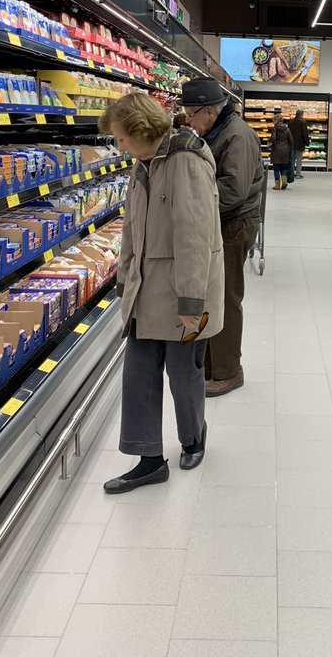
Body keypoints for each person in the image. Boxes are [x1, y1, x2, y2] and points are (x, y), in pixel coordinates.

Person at [98, 92, 224, 495]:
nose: (120, 146)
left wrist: (192, 301)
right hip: (145, 288)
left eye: (121, 138)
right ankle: (149, 458)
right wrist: (124, 279)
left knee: (183, 374)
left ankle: (193, 438)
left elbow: (195, 235)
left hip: (183, 288)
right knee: (138, 374)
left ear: (140, 129)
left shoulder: (186, 159)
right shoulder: (142, 165)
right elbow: (131, 227)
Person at [182, 78, 264, 397]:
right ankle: (212, 364)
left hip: (234, 225)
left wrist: (192, 203)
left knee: (226, 298)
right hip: (222, 222)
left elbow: (233, 190)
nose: (189, 121)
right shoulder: (219, 130)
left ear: (209, 110)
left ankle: (229, 371)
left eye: (191, 115)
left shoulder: (236, 136)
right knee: (213, 295)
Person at [271, 115, 293, 190]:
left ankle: (277, 185)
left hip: (276, 150)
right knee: (283, 168)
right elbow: (291, 140)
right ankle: (284, 181)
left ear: (276, 120)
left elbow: (273, 139)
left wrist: (270, 143)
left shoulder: (275, 129)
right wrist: (289, 148)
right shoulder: (287, 129)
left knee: (276, 168)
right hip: (285, 150)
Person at [287, 109, 310, 179]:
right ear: (301, 114)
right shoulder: (303, 122)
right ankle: (298, 174)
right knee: (299, 159)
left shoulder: (291, 122)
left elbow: (288, 132)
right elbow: (305, 133)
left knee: (292, 159)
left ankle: (291, 173)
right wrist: (307, 142)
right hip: (300, 143)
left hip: (291, 143)